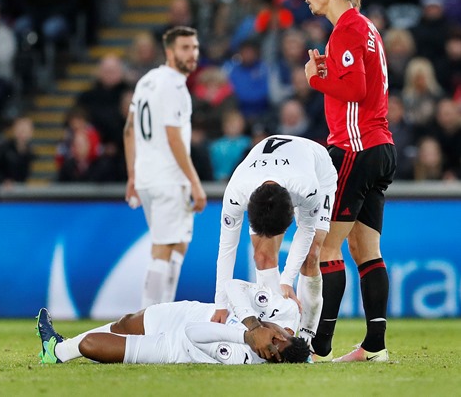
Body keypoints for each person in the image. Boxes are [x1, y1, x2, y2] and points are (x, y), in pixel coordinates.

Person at [302, 0, 396, 362]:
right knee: (366, 249)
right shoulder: (366, 28)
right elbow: (361, 82)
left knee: (326, 248)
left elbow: (354, 88)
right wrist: (330, 74)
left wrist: (315, 79)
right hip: (379, 147)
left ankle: (319, 345)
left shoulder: (346, 30)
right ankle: (375, 345)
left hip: (354, 150)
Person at [211, 135, 338, 351]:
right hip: (268, 173)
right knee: (262, 256)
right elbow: (227, 247)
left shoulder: (307, 187)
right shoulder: (236, 192)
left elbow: (306, 229)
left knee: (312, 254)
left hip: (319, 167)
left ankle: (307, 341)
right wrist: (220, 305)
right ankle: (278, 331)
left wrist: (287, 280)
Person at [123, 26, 207, 308]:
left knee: (176, 246)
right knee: (162, 250)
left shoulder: (147, 80)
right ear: (170, 52)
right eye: (185, 48)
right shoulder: (174, 85)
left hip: (148, 178)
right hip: (169, 179)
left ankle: (162, 313)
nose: (192, 53)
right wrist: (195, 182)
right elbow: (173, 137)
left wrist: (133, 175)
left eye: (194, 47)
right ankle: (146, 320)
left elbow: (128, 130)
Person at [35, 279, 309, 365]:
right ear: (286, 335)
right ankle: (55, 350)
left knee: (90, 344)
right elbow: (234, 286)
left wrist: (246, 338)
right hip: (192, 312)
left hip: (177, 348)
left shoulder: (244, 356)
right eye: (274, 339)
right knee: (126, 323)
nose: (269, 342)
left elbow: (193, 334)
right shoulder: (285, 312)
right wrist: (252, 324)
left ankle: (58, 351)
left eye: (269, 350)